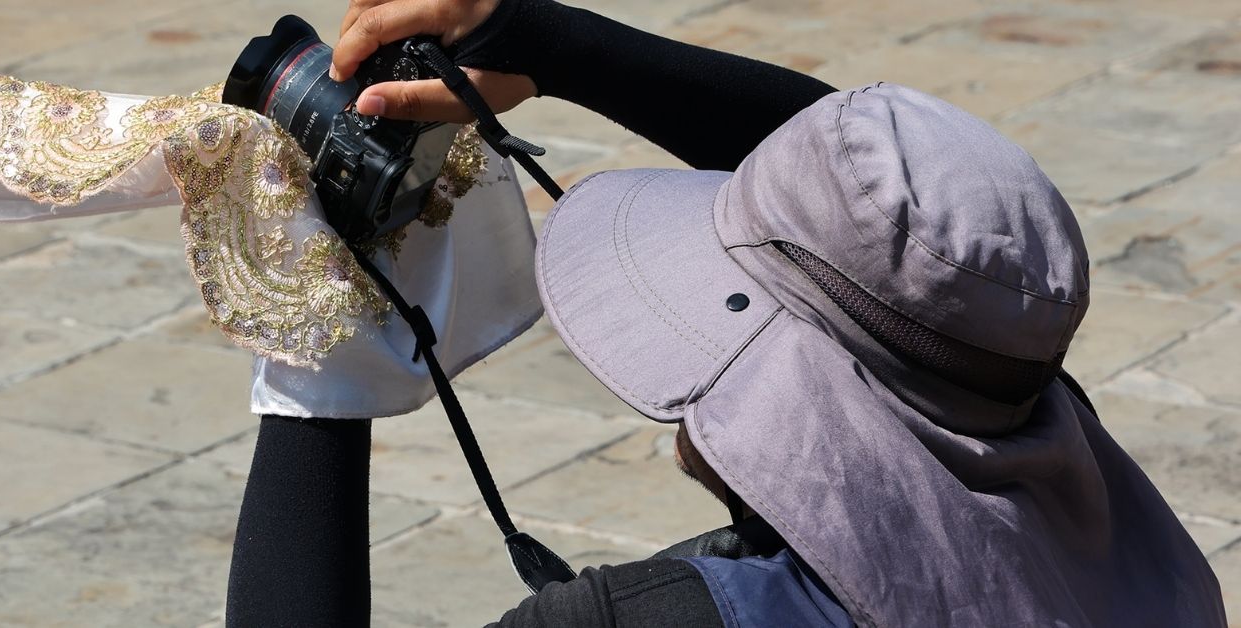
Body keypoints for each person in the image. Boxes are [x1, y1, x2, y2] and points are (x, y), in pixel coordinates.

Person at [225, 0, 1228, 626]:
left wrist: (316, 351)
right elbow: (895, 211)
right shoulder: (1045, 447)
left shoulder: (650, 622)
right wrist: (541, 40)